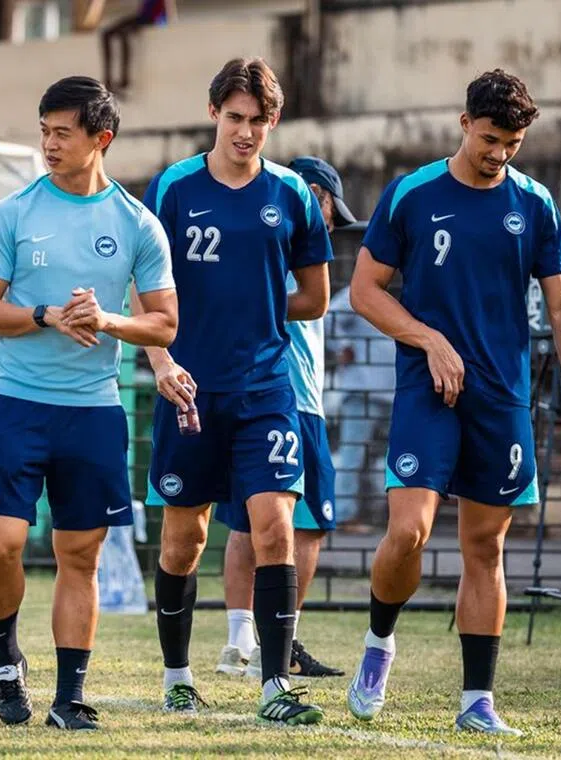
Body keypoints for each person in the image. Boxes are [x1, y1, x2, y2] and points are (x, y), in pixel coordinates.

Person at [344, 68, 561, 736]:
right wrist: (427, 338)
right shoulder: (413, 193)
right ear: (464, 124)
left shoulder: (534, 203)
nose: (500, 153)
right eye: (490, 139)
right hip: (426, 389)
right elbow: (365, 291)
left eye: (512, 143)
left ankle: (476, 701)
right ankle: (378, 643)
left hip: (503, 394)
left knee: (486, 548)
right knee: (410, 531)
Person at [0, 75, 177, 731]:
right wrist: (46, 314)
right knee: (2, 543)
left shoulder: (138, 224)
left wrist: (108, 320)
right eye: (44, 131)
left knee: (79, 555)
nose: (48, 144)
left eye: (62, 133)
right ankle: (7, 661)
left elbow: (165, 325)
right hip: (18, 405)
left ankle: (68, 698)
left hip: (93, 411)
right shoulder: (14, 213)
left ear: (100, 139)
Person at [137, 57, 331, 725]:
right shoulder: (174, 187)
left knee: (274, 524)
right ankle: (177, 677)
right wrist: (161, 361)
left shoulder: (293, 194)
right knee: (183, 540)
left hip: (266, 388)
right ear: (214, 113)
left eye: (259, 121)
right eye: (235, 118)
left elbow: (315, 296)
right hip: (189, 389)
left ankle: (275, 685)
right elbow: (140, 285)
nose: (246, 132)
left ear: (273, 123)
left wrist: (258, 307)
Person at [212, 156, 355, 682]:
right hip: (289, 398)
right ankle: (279, 641)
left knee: (248, 522)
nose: (334, 223)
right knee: (308, 525)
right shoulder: (287, 239)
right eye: (330, 209)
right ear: (312, 195)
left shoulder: (265, 235)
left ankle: (241, 642)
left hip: (258, 393)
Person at [324, 284, 396, 530]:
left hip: (395, 389)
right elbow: (329, 317)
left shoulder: (404, 288)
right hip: (362, 387)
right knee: (352, 454)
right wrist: (342, 346)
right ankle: (345, 515)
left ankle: (396, 514)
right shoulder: (357, 290)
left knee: (396, 457)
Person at [100, 0, 175, 95]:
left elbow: (168, 10)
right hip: (144, 16)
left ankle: (124, 78)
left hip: (153, 19)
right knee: (107, 34)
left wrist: (167, 20)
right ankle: (109, 78)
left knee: (123, 35)